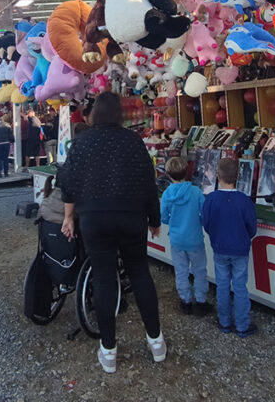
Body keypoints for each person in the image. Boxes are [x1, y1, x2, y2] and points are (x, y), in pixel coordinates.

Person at [58, 92, 165, 374]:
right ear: (119, 114)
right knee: (140, 274)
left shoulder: (82, 143)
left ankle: (109, 351)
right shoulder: (133, 141)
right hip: (131, 217)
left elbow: (67, 182)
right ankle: (156, 342)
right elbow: (148, 183)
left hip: (94, 219)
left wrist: (69, 217)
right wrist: (154, 219)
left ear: (95, 114)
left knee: (105, 280)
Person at [202, 158, 258, 338]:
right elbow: (252, 228)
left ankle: (224, 321)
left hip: (220, 248)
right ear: (239, 176)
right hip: (240, 249)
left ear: (217, 176)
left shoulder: (211, 199)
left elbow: (207, 224)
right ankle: (242, 325)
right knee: (240, 287)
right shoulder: (245, 201)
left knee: (223, 285)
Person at [160, 156, 212, 316]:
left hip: (176, 240)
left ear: (168, 174)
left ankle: (185, 301)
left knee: (181, 272)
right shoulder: (196, 192)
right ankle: (201, 302)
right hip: (195, 239)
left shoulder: (167, 194)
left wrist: (172, 221)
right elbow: (204, 215)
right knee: (200, 271)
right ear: (187, 171)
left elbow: (163, 217)